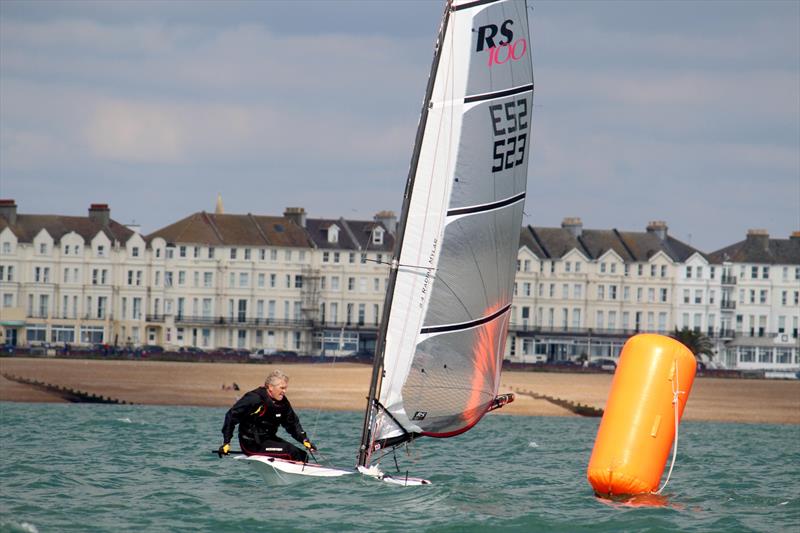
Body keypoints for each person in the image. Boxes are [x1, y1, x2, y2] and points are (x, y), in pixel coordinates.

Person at [218, 369, 316, 461]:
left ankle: (295, 477)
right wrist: (226, 442)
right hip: (251, 444)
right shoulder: (254, 399)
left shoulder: (283, 402)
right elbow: (231, 416)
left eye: (286, 388)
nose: (284, 391)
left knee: (303, 456)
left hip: (269, 440)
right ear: (270, 387)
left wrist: (304, 440)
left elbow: (292, 424)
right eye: (282, 388)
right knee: (291, 452)